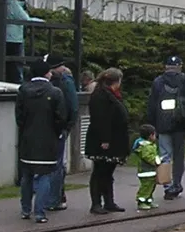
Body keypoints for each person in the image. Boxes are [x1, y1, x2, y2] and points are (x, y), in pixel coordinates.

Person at [16, 60, 69, 223]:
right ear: (48, 73)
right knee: (45, 175)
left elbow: (19, 116)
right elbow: (61, 117)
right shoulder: (55, 92)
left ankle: (25, 209)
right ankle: (40, 212)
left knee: (27, 175)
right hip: (48, 139)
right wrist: (57, 131)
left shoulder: (23, 90)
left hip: (28, 139)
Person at [147, 55, 185, 199]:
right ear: (180, 66)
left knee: (165, 155)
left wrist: (153, 125)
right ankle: (177, 184)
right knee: (179, 156)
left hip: (162, 124)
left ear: (165, 67)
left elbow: (152, 105)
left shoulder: (158, 82)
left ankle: (167, 185)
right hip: (181, 124)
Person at [85, 67, 130, 214]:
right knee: (100, 171)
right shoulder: (100, 96)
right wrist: (104, 139)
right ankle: (96, 203)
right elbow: (100, 119)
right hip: (103, 140)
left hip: (114, 138)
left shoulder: (111, 94)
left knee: (108, 171)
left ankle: (109, 201)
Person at [46, 57, 79, 211]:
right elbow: (73, 106)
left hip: (48, 128)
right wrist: (68, 125)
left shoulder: (56, 82)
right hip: (60, 127)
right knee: (58, 164)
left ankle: (51, 197)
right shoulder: (66, 82)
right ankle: (56, 197)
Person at [4, 0, 39, 83]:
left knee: (13, 63)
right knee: (16, 63)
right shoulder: (10, 1)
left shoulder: (10, 1)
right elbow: (23, 17)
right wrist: (40, 21)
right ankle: (17, 82)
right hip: (13, 37)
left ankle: (15, 80)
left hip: (13, 36)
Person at [131, 124, 163, 210]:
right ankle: (141, 201)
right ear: (150, 135)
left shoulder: (150, 145)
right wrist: (156, 161)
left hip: (151, 171)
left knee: (151, 186)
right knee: (146, 187)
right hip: (146, 171)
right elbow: (148, 157)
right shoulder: (145, 146)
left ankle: (148, 200)